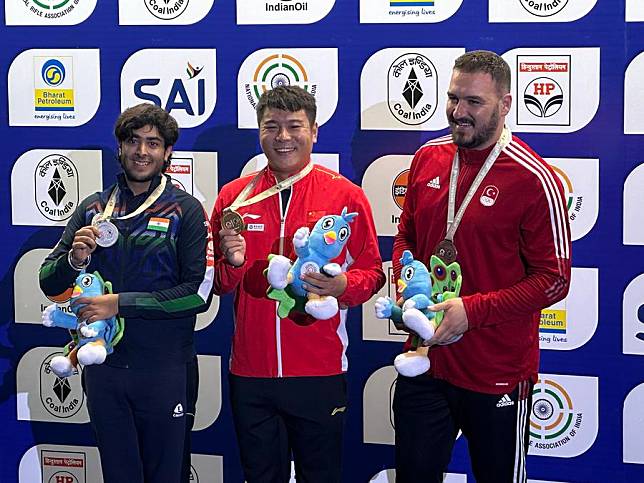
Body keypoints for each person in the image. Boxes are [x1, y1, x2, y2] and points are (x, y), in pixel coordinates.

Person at [391, 50, 572, 483]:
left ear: (505, 105)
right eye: (453, 98)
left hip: (496, 371)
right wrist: (405, 277)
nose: (458, 112)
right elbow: (406, 240)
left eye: (474, 102)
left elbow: (555, 280)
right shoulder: (427, 158)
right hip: (425, 358)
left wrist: (472, 312)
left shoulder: (533, 178)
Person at [211, 85, 385, 483]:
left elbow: (373, 272)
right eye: (271, 126)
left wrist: (342, 287)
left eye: (294, 126)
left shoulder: (346, 196)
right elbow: (218, 286)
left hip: (318, 371)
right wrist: (234, 264)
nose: (283, 137)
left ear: (315, 131)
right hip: (251, 373)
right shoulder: (233, 198)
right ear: (259, 131)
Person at [39, 103, 214, 483]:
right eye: (133, 141)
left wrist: (119, 304)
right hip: (106, 371)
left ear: (167, 153)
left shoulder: (186, 210)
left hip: (164, 369)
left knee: (167, 475)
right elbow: (49, 282)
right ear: (119, 147)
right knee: (118, 474)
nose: (142, 151)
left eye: (153, 143)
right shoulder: (93, 209)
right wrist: (75, 259)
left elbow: (197, 295)